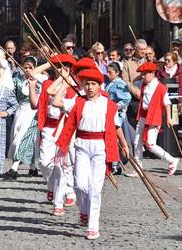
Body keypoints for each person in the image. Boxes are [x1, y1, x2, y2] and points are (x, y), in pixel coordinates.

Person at [55, 68, 129, 240]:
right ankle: (83, 211)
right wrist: (62, 146)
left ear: (99, 86)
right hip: (81, 145)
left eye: (93, 84)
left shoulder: (108, 104)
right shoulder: (78, 102)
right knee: (80, 185)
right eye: (86, 84)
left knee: (95, 188)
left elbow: (115, 126)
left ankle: (92, 227)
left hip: (100, 147)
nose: (89, 87)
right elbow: (70, 125)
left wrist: (124, 144)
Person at [33, 54, 78, 216]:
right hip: (48, 127)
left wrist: (67, 79)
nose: (61, 69)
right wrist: (49, 63)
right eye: (58, 66)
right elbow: (32, 73)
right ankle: (52, 187)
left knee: (62, 166)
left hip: (64, 129)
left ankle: (60, 200)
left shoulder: (74, 85)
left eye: (65, 67)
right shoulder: (48, 82)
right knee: (45, 163)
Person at [132, 62, 179, 176]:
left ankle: (172, 160)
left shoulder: (161, 88)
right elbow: (135, 83)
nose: (142, 76)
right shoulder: (144, 84)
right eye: (142, 74)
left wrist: (168, 118)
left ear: (152, 73)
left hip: (154, 117)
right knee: (136, 141)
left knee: (150, 144)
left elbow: (167, 103)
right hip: (144, 115)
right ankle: (138, 168)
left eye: (144, 74)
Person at [5, 56, 47, 179]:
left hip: (33, 112)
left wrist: (49, 61)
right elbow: (10, 93)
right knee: (26, 139)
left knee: (22, 138)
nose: (28, 69)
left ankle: (14, 168)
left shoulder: (41, 79)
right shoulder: (17, 80)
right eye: (26, 67)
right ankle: (33, 168)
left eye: (31, 67)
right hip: (20, 112)